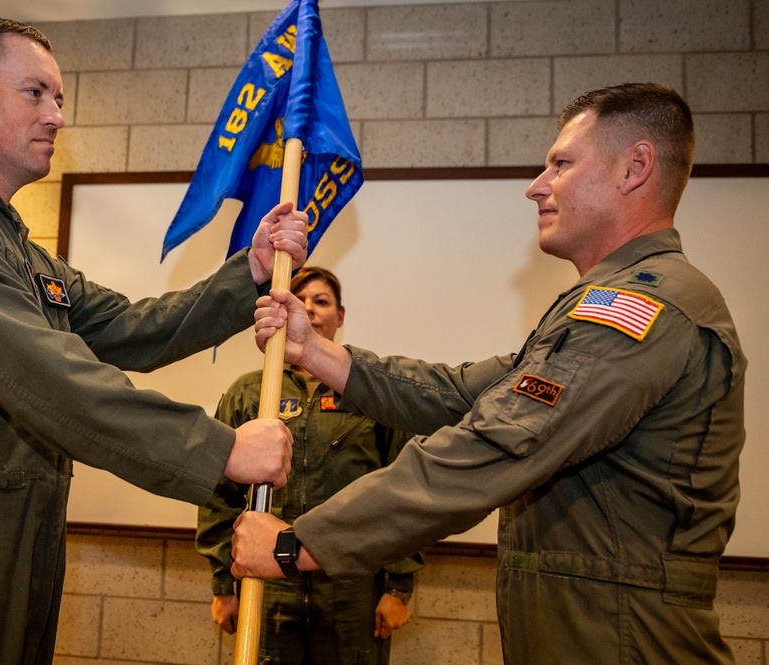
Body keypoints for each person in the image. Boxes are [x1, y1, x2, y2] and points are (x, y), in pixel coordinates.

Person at [0, 16, 309, 665]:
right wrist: (219, 448)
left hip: (18, 540)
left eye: (58, 97)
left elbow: (134, 327)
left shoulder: (17, 251)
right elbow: (43, 372)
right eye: (36, 93)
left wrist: (245, 274)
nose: (57, 115)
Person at [231, 83, 746, 664]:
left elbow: (497, 443)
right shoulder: (595, 307)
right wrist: (315, 352)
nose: (536, 187)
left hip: (624, 641)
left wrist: (299, 544)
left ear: (635, 167)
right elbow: (460, 395)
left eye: (561, 164)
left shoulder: (644, 310)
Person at [197, 267, 422, 664]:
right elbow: (220, 493)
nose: (312, 310)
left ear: (341, 315)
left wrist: (399, 587)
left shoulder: (369, 392)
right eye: (302, 301)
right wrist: (222, 584)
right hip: (267, 588)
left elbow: (404, 488)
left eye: (322, 301)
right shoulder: (250, 393)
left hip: (351, 588)